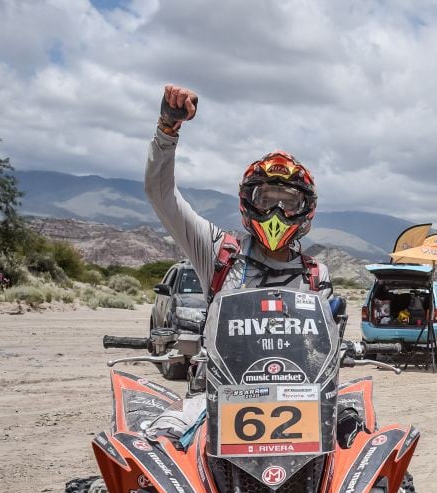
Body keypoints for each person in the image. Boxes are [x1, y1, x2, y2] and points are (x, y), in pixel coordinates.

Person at [142, 84, 331, 437]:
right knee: (160, 441)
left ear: (304, 209)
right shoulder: (219, 252)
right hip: (213, 396)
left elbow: (324, 350)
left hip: (297, 402)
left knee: (356, 434)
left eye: (288, 202)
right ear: (248, 202)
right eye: (266, 199)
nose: (276, 212)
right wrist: (167, 129)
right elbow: (161, 195)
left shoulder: (316, 275)